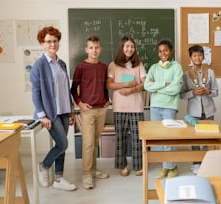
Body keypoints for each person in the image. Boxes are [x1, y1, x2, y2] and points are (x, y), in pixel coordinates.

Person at [30, 26, 77, 191]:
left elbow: (66, 89)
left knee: (61, 144)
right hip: (51, 113)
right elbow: (35, 93)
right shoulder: (39, 65)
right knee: (63, 144)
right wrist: (42, 115)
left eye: (55, 41)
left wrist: (72, 111)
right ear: (42, 44)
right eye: (48, 41)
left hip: (64, 110)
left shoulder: (61, 63)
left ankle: (58, 179)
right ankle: (44, 165)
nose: (52, 44)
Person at [71, 35, 110, 190]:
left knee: (94, 142)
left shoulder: (103, 67)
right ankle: (86, 174)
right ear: (86, 49)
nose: (94, 50)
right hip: (87, 111)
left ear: (100, 49)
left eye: (97, 47)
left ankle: (93, 170)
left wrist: (107, 99)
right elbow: (73, 89)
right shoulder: (81, 67)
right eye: (91, 48)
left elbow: (104, 86)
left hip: (102, 109)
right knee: (88, 144)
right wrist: (80, 104)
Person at [107, 36, 146, 177]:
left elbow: (144, 84)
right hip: (120, 107)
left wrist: (132, 90)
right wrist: (125, 84)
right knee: (120, 138)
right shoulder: (113, 65)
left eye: (132, 46)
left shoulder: (139, 64)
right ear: (122, 47)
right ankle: (122, 165)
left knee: (138, 138)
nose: (130, 49)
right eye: (127, 46)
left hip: (136, 106)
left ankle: (138, 165)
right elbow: (109, 84)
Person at [144, 39, 183, 179]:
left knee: (169, 138)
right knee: (159, 138)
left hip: (170, 106)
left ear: (171, 51)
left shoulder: (177, 67)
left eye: (165, 50)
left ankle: (171, 167)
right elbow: (147, 86)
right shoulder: (154, 68)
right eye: (160, 51)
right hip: (155, 106)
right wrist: (165, 84)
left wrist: (158, 88)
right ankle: (165, 166)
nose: (163, 53)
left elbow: (176, 88)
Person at [180, 45, 218, 174]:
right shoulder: (186, 75)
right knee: (195, 138)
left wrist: (208, 91)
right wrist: (193, 92)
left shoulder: (210, 72)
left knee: (208, 137)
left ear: (203, 57)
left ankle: (207, 162)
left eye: (200, 55)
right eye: (194, 56)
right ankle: (196, 163)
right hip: (193, 112)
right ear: (191, 58)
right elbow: (182, 94)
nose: (197, 58)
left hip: (208, 110)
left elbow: (216, 92)